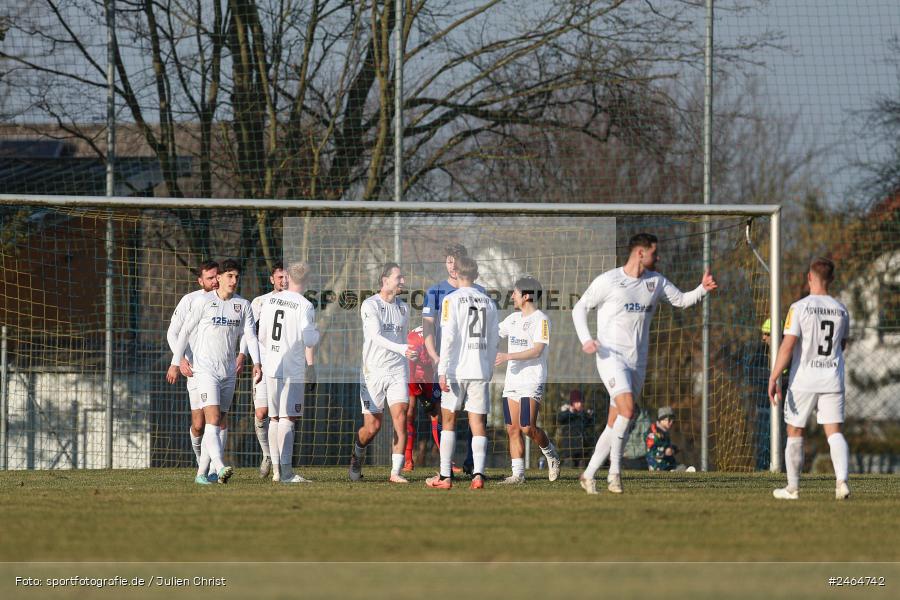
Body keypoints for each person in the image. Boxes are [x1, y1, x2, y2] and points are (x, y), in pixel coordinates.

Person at [572, 233, 717, 494]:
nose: (658, 257)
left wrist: (702, 289)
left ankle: (589, 473)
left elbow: (682, 300)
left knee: (614, 422)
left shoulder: (656, 282)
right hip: (609, 357)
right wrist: (586, 339)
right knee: (628, 410)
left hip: (637, 363)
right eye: (654, 253)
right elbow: (579, 308)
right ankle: (614, 474)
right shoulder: (610, 280)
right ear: (640, 253)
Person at [167, 259, 262, 484]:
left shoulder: (243, 305)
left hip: (228, 371)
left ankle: (201, 473)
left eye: (237, 277)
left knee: (220, 421)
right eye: (229, 276)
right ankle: (219, 467)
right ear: (218, 278)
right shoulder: (201, 302)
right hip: (203, 369)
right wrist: (175, 362)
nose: (234, 280)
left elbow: (250, 336)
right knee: (211, 420)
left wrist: (256, 362)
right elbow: (182, 332)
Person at [768, 257, 851, 500]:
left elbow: (787, 346)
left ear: (809, 277)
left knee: (795, 431)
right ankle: (842, 482)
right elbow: (841, 344)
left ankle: (792, 488)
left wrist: (774, 377)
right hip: (832, 378)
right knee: (834, 432)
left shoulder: (799, 307)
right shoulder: (841, 309)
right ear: (832, 280)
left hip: (803, 379)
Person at [426, 256, 498, 490]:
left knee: (449, 421)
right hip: (479, 369)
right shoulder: (489, 301)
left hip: (457, 369)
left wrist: (442, 369)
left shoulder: (451, 299)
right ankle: (478, 474)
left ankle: (446, 477)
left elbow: (448, 336)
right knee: (477, 422)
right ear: (476, 276)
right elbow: (494, 339)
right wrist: (487, 367)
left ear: (456, 274)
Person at [348, 262, 418, 484]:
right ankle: (357, 456)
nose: (403, 281)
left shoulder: (404, 308)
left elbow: (401, 339)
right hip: (373, 372)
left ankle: (396, 472)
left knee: (401, 417)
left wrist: (408, 353)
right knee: (373, 427)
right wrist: (403, 349)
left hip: (398, 370)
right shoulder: (370, 305)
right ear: (385, 280)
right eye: (399, 277)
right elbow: (375, 336)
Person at [422, 243, 485, 476]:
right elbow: (428, 326)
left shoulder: (480, 292)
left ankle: (470, 462)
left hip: (470, 363)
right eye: (448, 261)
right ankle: (446, 463)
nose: (451, 266)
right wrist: (433, 355)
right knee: (443, 414)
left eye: (455, 261)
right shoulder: (435, 292)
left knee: (475, 415)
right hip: (445, 363)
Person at [257, 262, 320, 483]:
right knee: (288, 419)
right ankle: (286, 473)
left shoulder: (270, 300)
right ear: (307, 281)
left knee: (274, 418)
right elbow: (310, 339)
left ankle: (276, 471)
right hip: (292, 368)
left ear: (289, 278)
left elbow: (262, 334)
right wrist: (317, 333)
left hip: (271, 365)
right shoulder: (305, 305)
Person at [495, 276, 561, 484]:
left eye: (515, 292)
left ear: (527, 296)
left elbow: (537, 350)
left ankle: (551, 454)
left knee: (527, 427)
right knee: (512, 428)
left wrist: (508, 356)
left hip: (532, 379)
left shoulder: (541, 319)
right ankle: (518, 475)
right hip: (512, 380)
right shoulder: (512, 319)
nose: (512, 295)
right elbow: (492, 333)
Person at [166, 260, 220, 476]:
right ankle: (201, 461)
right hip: (195, 370)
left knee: (217, 421)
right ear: (200, 281)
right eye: (210, 278)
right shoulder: (190, 300)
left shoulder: (229, 301)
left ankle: (215, 467)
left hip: (218, 371)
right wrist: (179, 360)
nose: (215, 281)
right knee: (198, 424)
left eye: (217, 276)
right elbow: (173, 333)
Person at [240, 261, 288, 479]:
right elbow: (249, 333)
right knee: (261, 413)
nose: (283, 281)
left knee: (284, 416)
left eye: (286, 277)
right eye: (279, 277)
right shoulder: (259, 302)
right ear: (272, 279)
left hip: (286, 368)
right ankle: (267, 454)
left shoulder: (296, 302)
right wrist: (245, 356)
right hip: (263, 366)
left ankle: (282, 464)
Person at [403, 325, 440, 472]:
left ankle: (447, 461)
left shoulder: (442, 336)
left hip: (430, 377)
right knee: (409, 413)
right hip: (413, 377)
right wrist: (421, 395)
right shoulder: (414, 341)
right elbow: (410, 374)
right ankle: (408, 460)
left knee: (436, 414)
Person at [557, 390, 596, 468]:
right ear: (572, 403)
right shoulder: (567, 414)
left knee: (582, 466)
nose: (580, 404)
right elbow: (560, 418)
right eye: (577, 402)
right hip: (569, 449)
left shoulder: (583, 415)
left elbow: (591, 423)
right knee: (569, 465)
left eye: (581, 402)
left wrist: (590, 415)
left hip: (582, 449)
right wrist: (570, 412)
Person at [646, 406, 678, 471]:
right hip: (657, 466)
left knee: (680, 468)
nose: (670, 422)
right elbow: (651, 451)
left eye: (672, 419)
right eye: (666, 419)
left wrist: (673, 448)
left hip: (666, 463)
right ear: (660, 420)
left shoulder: (664, 432)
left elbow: (664, 445)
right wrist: (664, 451)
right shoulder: (654, 433)